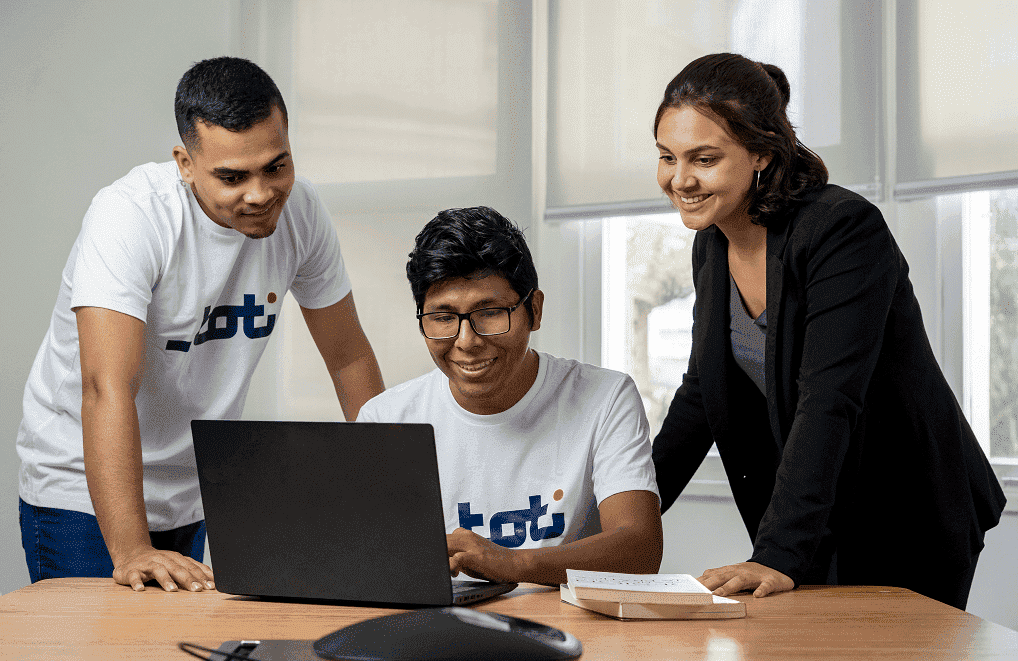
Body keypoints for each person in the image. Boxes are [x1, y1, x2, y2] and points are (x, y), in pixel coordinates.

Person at [650, 53, 1005, 610]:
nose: (680, 179)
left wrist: (777, 553)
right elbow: (702, 393)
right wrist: (623, 518)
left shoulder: (842, 228)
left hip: (904, 511)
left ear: (762, 152)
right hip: (817, 518)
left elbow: (829, 397)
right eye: (667, 157)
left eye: (704, 158)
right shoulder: (713, 244)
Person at [17, 57, 384, 593]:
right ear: (185, 163)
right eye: (232, 177)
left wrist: (394, 498)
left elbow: (348, 355)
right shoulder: (130, 217)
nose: (260, 193)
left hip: (191, 486)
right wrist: (134, 550)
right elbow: (107, 388)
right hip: (81, 490)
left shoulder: (301, 213)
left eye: (276, 167)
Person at [357, 206, 662, 586]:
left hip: (568, 631)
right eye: (443, 317)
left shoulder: (605, 398)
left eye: (489, 313)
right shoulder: (385, 419)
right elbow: (367, 562)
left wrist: (512, 564)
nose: (466, 341)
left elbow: (640, 549)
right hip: (436, 629)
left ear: (533, 310)